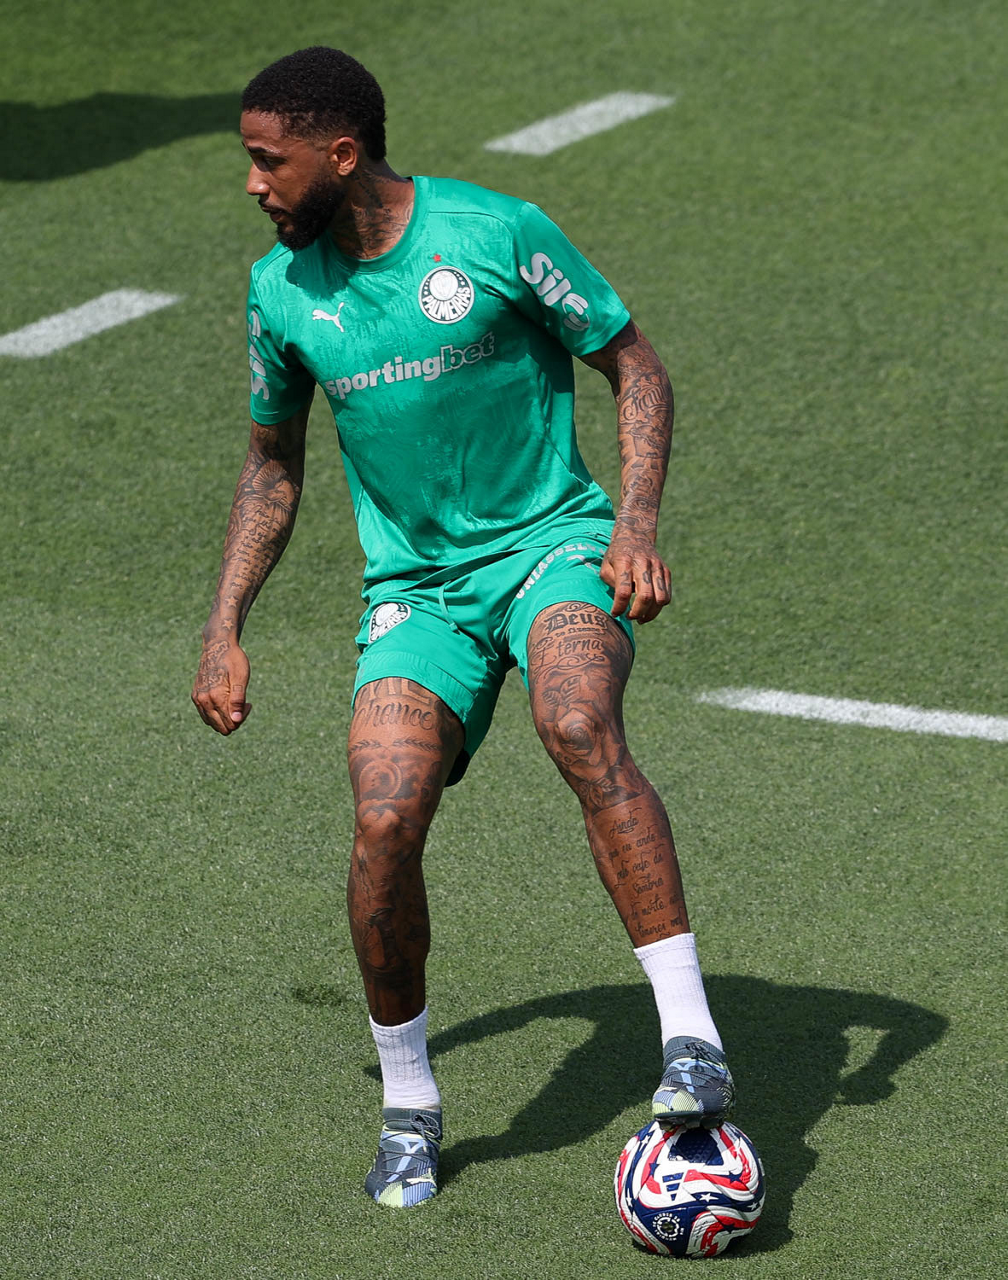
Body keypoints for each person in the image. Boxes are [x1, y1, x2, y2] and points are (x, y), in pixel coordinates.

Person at [192, 46, 734, 1209]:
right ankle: (409, 1106)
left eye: (269, 160)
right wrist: (224, 624)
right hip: (417, 591)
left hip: (552, 545)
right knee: (384, 814)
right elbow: (272, 464)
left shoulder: (495, 233)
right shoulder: (280, 293)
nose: (254, 183)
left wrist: (634, 523)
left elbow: (633, 363)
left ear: (342, 153)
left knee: (578, 718)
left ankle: (691, 1039)